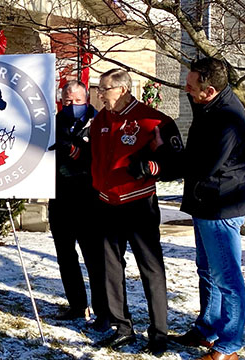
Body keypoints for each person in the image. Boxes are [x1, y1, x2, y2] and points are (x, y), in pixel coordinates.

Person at [89, 69, 183, 355]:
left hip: (138, 202)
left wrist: (153, 167)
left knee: (150, 268)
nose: (100, 94)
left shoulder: (152, 120)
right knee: (111, 268)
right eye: (99, 88)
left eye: (104, 89)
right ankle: (122, 327)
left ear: (123, 89)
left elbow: (176, 163)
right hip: (107, 203)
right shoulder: (99, 120)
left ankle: (159, 333)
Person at [172, 58, 245, 360]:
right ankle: (208, 328)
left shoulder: (227, 118)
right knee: (207, 271)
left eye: (192, 87)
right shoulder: (208, 107)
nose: (187, 90)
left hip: (221, 207)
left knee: (228, 278)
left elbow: (204, 166)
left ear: (211, 89)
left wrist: (173, 153)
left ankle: (230, 345)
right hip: (205, 204)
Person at [47, 80, 108, 328]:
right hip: (60, 198)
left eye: (77, 101)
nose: (72, 105)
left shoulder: (100, 122)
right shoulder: (53, 122)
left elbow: (102, 157)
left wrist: (75, 152)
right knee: (65, 255)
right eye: (67, 101)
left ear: (87, 99)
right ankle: (77, 305)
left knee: (94, 257)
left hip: (89, 200)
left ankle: (103, 310)